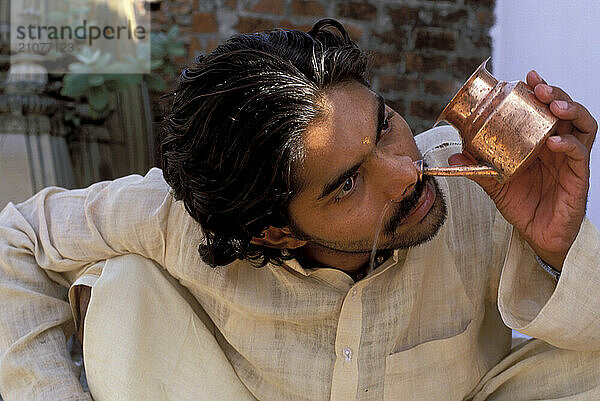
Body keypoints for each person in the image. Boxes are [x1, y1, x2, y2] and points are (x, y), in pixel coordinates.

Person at [0, 18, 598, 401]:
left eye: (384, 125)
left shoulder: (478, 183)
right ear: (277, 233)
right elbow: (16, 237)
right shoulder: (172, 220)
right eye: (346, 185)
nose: (406, 171)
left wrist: (557, 246)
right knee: (125, 280)